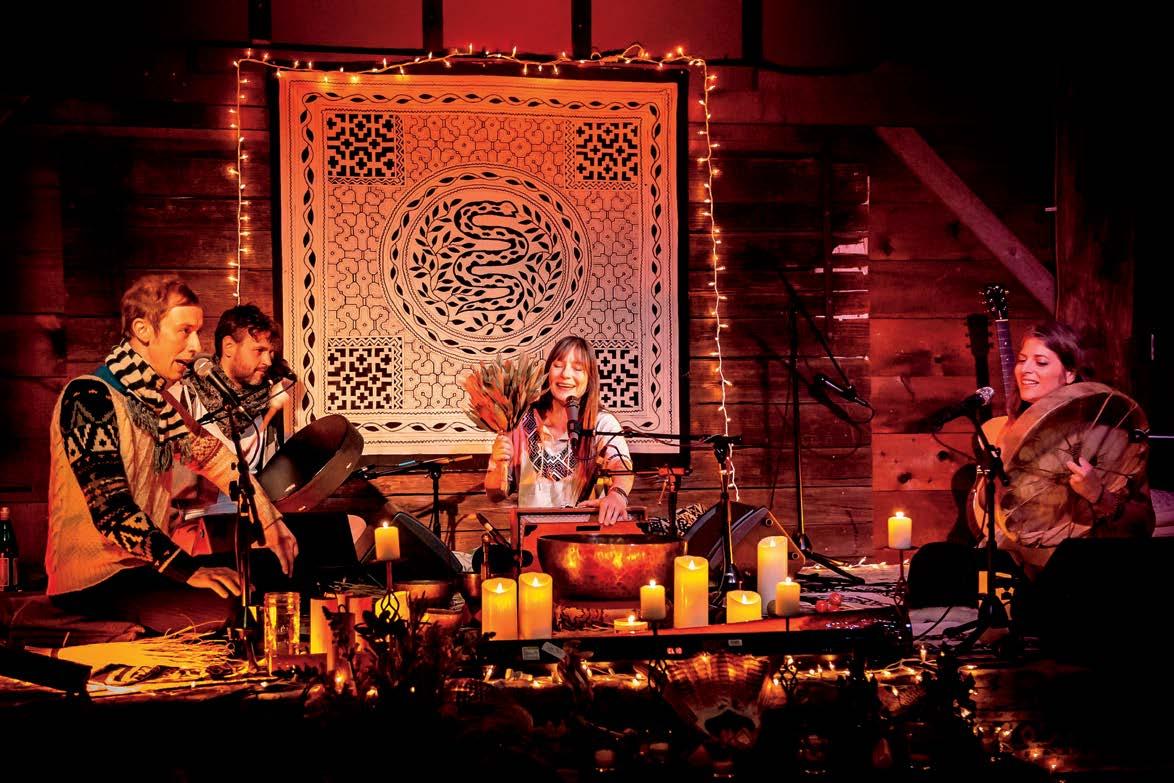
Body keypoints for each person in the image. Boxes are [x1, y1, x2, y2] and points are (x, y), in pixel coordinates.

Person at [46, 275, 297, 633]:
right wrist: (189, 570)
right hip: (92, 583)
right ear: (143, 330)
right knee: (232, 605)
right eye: (184, 331)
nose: (195, 346)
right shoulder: (89, 397)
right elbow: (112, 512)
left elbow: (215, 458)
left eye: (197, 332)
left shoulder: (159, 402)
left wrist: (269, 520)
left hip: (145, 570)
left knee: (273, 569)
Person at [978, 321, 1155, 577]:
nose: (1025, 370)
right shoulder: (1009, 426)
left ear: (1070, 374)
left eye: (1041, 362)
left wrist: (1100, 495)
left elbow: (1142, 525)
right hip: (1020, 560)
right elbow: (986, 509)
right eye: (1022, 360)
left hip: (1084, 566)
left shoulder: (1104, 428)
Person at [169, 305, 289, 546]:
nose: (267, 361)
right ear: (228, 347)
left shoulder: (266, 403)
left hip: (255, 529)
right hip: (195, 534)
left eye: (270, 352)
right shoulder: (183, 398)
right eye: (259, 351)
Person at [485, 336, 633, 525]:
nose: (566, 374)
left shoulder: (601, 422)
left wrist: (617, 494)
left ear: (590, 378)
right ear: (548, 372)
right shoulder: (521, 420)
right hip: (531, 538)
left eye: (578, 368)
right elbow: (495, 495)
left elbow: (621, 466)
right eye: (558, 365)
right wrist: (498, 463)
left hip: (586, 536)